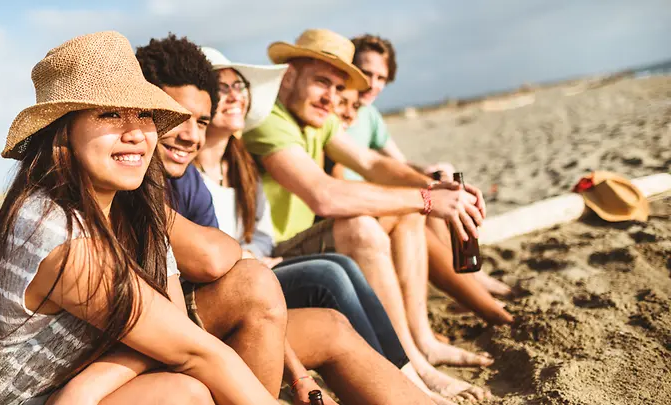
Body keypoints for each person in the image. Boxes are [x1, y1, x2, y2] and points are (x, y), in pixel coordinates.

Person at [0, 31, 279, 405]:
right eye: (109, 114)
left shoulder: (135, 210)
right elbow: (193, 350)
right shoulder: (53, 229)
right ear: (62, 132)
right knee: (182, 394)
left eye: (144, 114)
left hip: (63, 393)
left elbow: (177, 329)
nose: (136, 133)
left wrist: (87, 386)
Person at [135, 35, 437, 405]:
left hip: (202, 323)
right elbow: (215, 263)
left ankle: (417, 381)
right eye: (177, 118)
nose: (190, 135)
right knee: (280, 278)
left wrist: (299, 377)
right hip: (161, 348)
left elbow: (235, 266)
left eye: (200, 121)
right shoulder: (133, 181)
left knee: (333, 325)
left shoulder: (194, 178)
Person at [244, 28, 492, 401]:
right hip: (268, 256)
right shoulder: (268, 119)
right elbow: (323, 196)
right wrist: (425, 198)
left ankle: (421, 342)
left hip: (297, 245)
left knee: (407, 213)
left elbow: (371, 161)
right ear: (289, 75)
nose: (331, 97)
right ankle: (411, 365)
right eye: (322, 82)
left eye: (338, 88)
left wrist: (433, 188)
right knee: (361, 228)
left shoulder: (316, 117)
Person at [337, 34, 515, 325]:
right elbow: (356, 171)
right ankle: (481, 299)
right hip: (353, 205)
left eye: (381, 77)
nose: (373, 83)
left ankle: (473, 277)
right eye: (366, 73)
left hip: (371, 196)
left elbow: (396, 162)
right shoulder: (331, 113)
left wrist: (432, 173)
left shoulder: (368, 115)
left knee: (436, 184)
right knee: (418, 210)